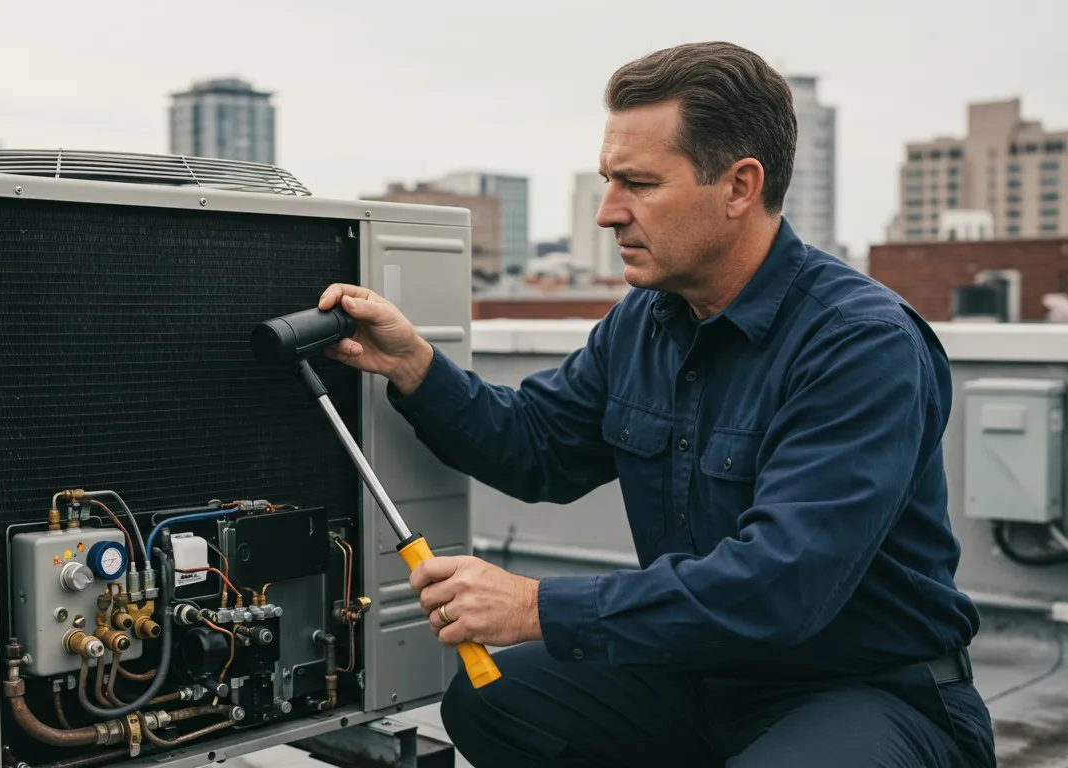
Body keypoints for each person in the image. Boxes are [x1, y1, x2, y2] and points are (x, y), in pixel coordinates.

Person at [315, 41, 996, 767]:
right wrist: (414, 366)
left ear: (738, 187)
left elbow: (781, 583)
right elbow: (537, 446)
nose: (609, 213)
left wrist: (536, 607)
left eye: (637, 183)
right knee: (497, 702)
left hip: (866, 690)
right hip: (702, 675)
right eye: (608, 181)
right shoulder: (647, 321)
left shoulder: (860, 343)